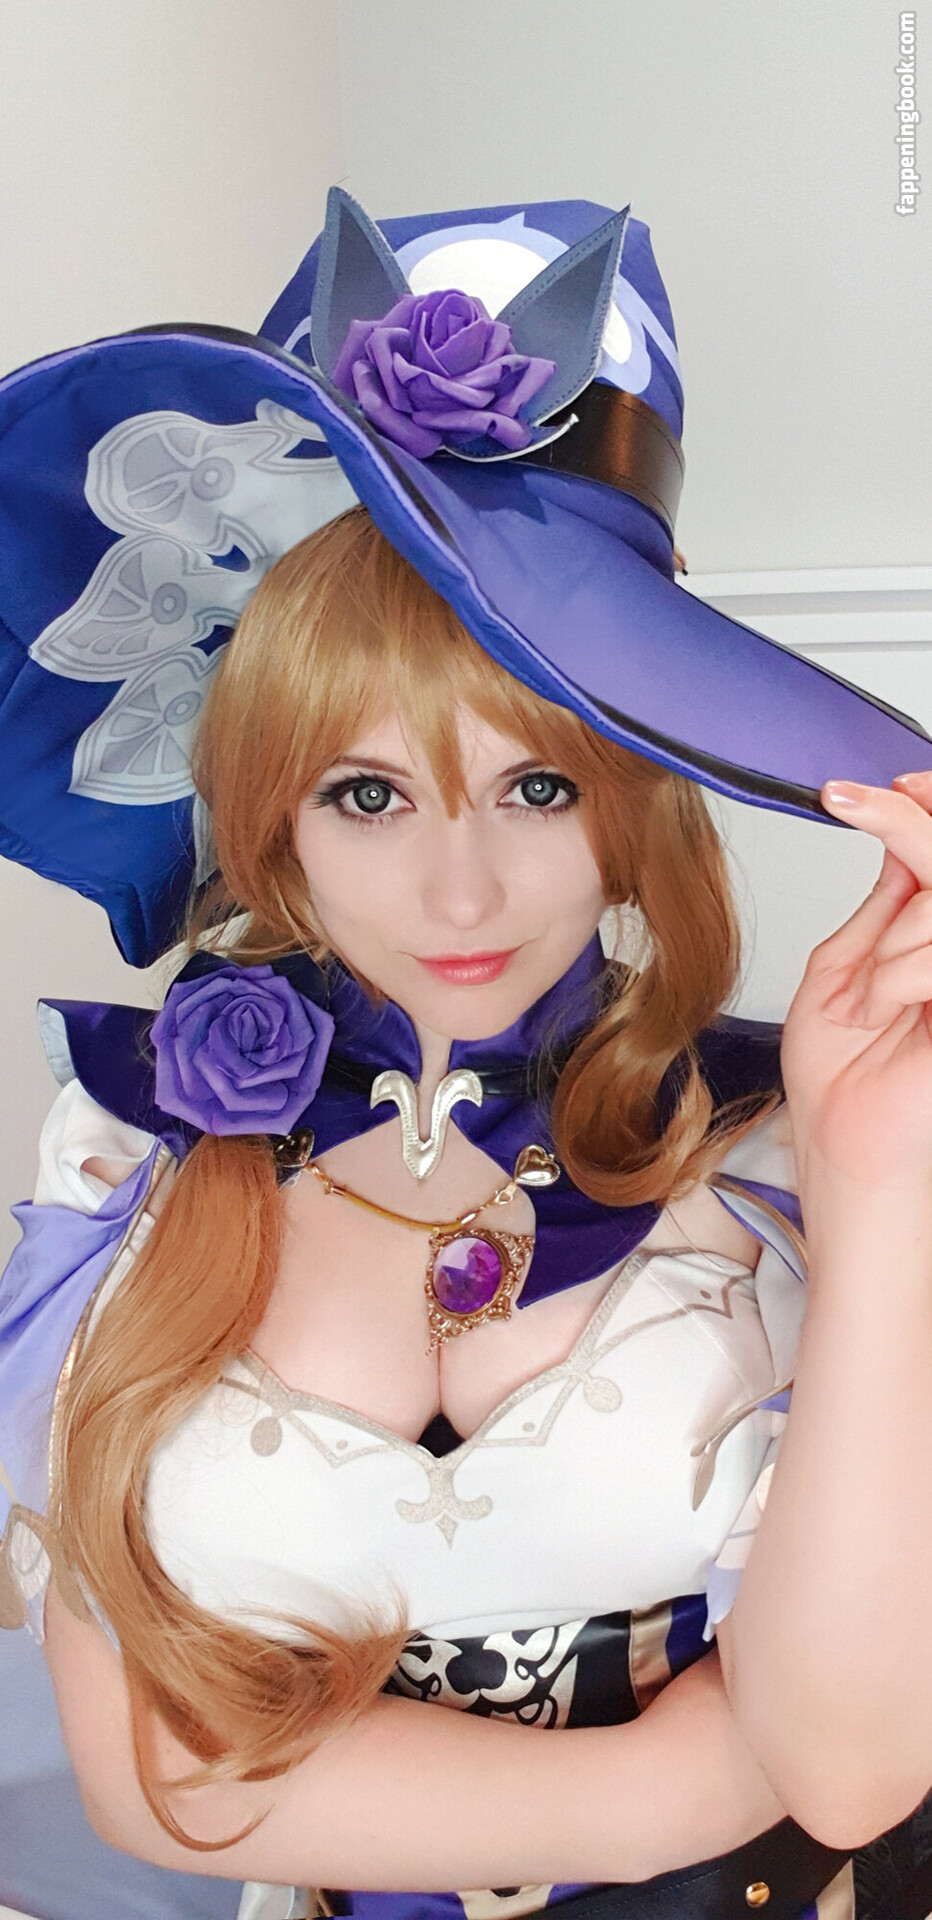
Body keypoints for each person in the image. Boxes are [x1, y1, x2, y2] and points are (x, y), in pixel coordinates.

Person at [1, 188, 932, 1920]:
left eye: (539, 785)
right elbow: (149, 1777)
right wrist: (653, 1796)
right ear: (269, 812)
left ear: (637, 795)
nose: (460, 892)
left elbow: (853, 1768)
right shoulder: (127, 1144)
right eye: (367, 793)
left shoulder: (785, 1142)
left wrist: (877, 1184)